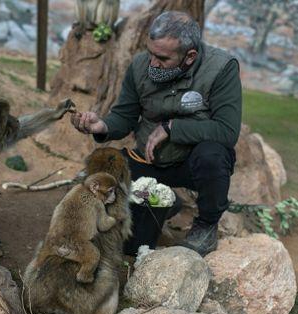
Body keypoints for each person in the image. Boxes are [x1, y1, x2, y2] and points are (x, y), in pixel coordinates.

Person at [70, 11, 241, 256]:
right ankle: (168, 204)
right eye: (150, 53)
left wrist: (172, 128)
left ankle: (206, 225)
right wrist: (103, 126)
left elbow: (227, 131)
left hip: (193, 165)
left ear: (189, 56)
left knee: (213, 154)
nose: (152, 63)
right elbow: (125, 116)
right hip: (149, 161)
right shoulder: (141, 65)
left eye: (162, 58)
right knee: (105, 173)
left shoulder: (221, 68)